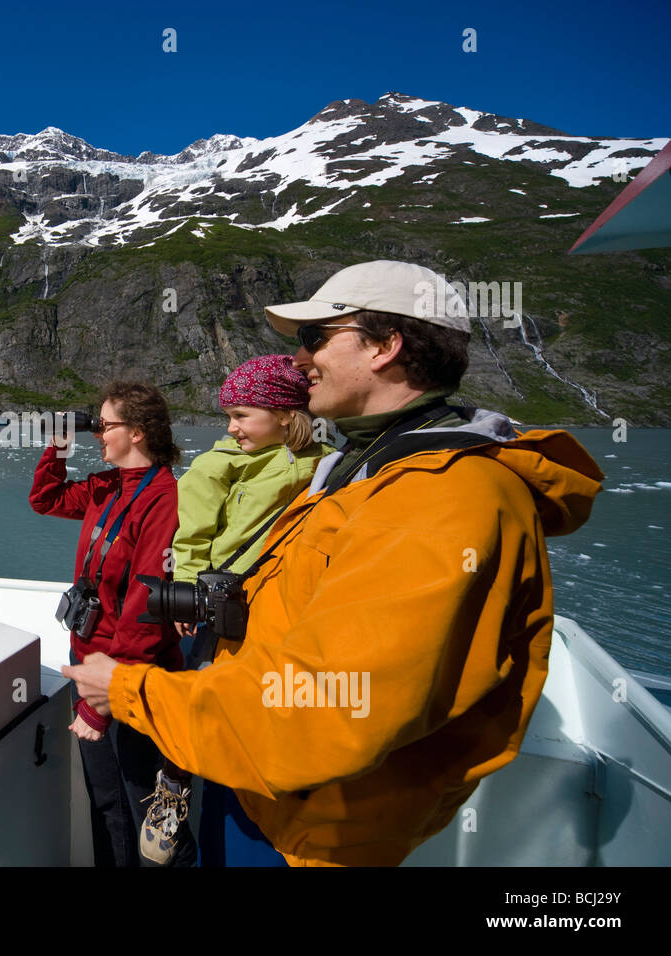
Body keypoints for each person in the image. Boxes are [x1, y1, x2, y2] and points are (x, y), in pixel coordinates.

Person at [64, 260, 604, 866]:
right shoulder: (374, 465)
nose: (299, 360)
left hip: (306, 820)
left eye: (316, 338)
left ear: (386, 346)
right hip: (262, 777)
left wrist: (134, 691)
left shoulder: (440, 497)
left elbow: (327, 707)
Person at [138, 354, 334, 865]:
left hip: (276, 618)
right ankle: (172, 788)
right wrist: (187, 586)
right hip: (216, 607)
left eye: (243, 414)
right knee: (197, 704)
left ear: (286, 414)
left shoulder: (330, 462)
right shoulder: (218, 464)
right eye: (230, 416)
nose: (232, 426)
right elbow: (194, 532)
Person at [29, 381, 197, 866]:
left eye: (106, 425)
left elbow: (145, 611)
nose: (98, 434)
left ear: (139, 432)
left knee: (149, 811)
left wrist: (101, 705)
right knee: (105, 803)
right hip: (87, 662)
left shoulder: (163, 497)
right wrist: (58, 447)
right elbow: (46, 500)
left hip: (130, 676)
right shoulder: (106, 486)